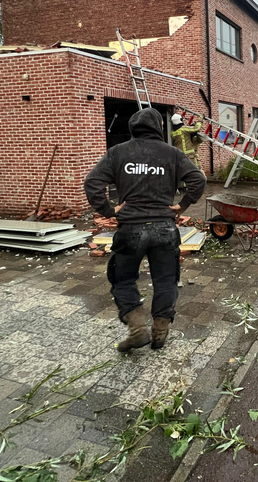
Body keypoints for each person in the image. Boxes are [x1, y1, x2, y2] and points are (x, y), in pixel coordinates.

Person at [85, 108, 206, 352]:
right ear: (158, 128)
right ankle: (159, 333)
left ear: (132, 128)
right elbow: (198, 179)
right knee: (166, 280)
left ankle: (137, 330)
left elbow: (92, 183)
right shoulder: (171, 153)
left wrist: (110, 211)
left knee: (122, 278)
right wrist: (181, 206)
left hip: (130, 229)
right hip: (164, 228)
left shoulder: (118, 153)